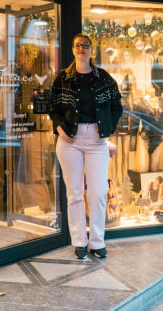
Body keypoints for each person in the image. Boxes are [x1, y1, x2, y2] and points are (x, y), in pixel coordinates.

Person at [50, 33, 122, 259]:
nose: (81, 48)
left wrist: (106, 130)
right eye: (77, 45)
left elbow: (116, 107)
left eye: (86, 45)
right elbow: (52, 107)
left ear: (92, 50)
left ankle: (97, 242)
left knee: (99, 193)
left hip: (96, 139)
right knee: (75, 193)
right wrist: (60, 127)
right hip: (69, 139)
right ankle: (80, 242)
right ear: (73, 49)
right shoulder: (62, 78)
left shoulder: (104, 78)